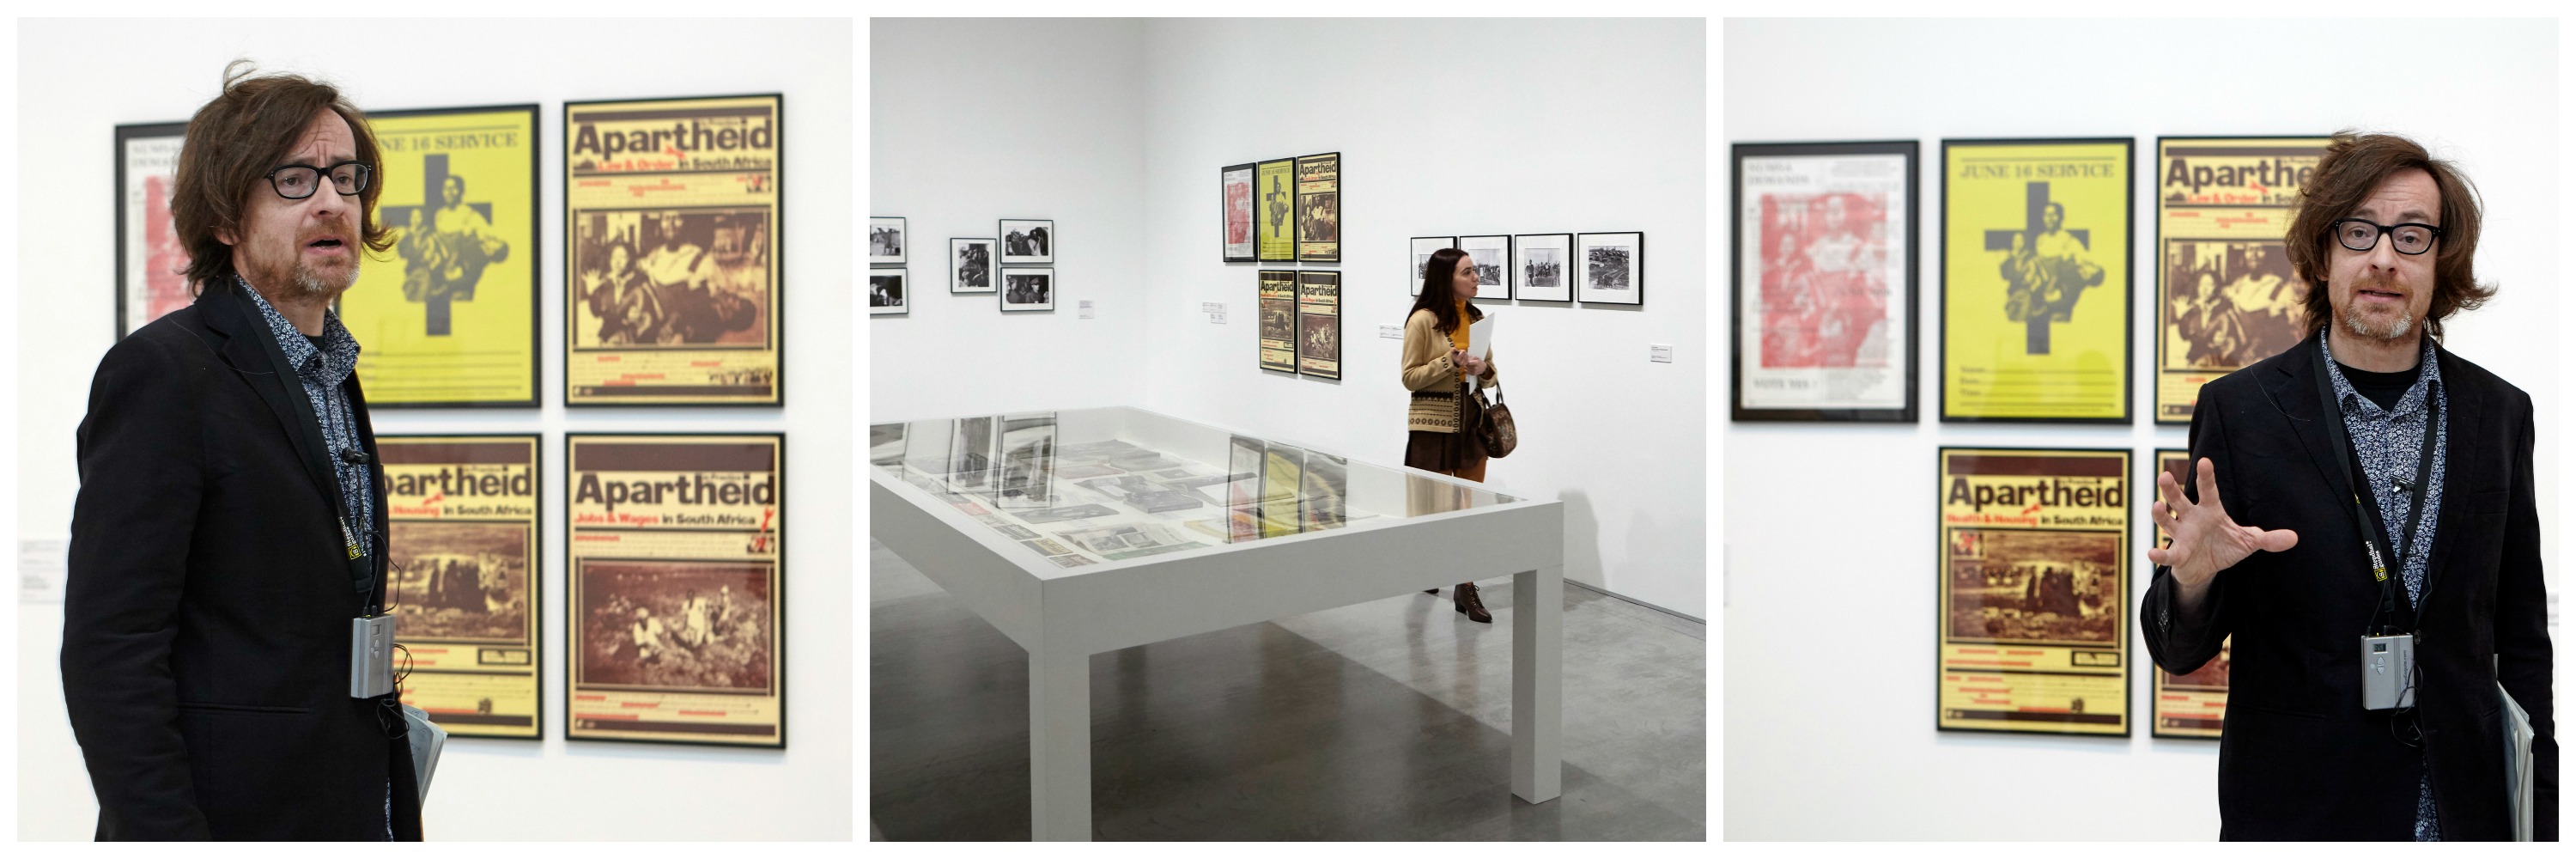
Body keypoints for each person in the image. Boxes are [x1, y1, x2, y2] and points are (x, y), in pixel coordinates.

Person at [2142, 131, 2553, 841]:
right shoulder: (2240, 413)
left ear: (2441, 258)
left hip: (2466, 811)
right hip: (2303, 811)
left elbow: (2522, 636)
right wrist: (2196, 582)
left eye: (2413, 235)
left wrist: (2546, 817)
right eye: (2359, 231)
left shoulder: (2501, 414)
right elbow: (2180, 652)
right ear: (2322, 252)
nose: (2385, 258)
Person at [62, 63, 421, 840]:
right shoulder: (163, 374)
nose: (332, 201)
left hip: (350, 807)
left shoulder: (330, 370)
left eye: (345, 177)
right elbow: (111, 653)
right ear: (225, 219)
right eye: (294, 179)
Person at [1400, 247, 1502, 623]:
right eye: (1467, 272)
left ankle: (1465, 584)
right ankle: (1430, 566)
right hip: (1433, 425)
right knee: (1437, 509)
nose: (1476, 277)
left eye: (1475, 271)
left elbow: (1491, 375)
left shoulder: (1476, 318)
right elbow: (1409, 377)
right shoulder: (1423, 321)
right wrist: (1449, 361)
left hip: (1472, 422)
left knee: (1467, 508)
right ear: (1447, 278)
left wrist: (1481, 366)